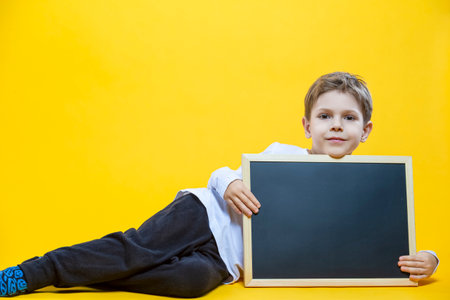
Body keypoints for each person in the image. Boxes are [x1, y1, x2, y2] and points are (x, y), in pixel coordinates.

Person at [0, 72, 439, 298]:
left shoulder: (367, 192)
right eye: (325, 116)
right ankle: (35, 272)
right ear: (307, 126)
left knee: (189, 283)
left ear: (366, 131)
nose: (336, 126)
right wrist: (228, 183)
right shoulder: (283, 155)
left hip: (227, 262)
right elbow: (222, 173)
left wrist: (429, 258)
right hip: (203, 216)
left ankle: (92, 277)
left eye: (348, 118)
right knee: (137, 250)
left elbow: (383, 239)